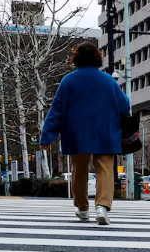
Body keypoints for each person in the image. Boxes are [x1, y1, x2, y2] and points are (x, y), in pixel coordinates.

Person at [40, 42, 131, 225]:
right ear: (98, 58)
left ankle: (82, 208)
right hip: (105, 131)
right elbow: (124, 105)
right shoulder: (108, 80)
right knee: (105, 169)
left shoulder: (68, 81)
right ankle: (102, 207)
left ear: (77, 59)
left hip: (77, 132)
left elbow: (56, 110)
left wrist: (47, 136)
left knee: (79, 171)